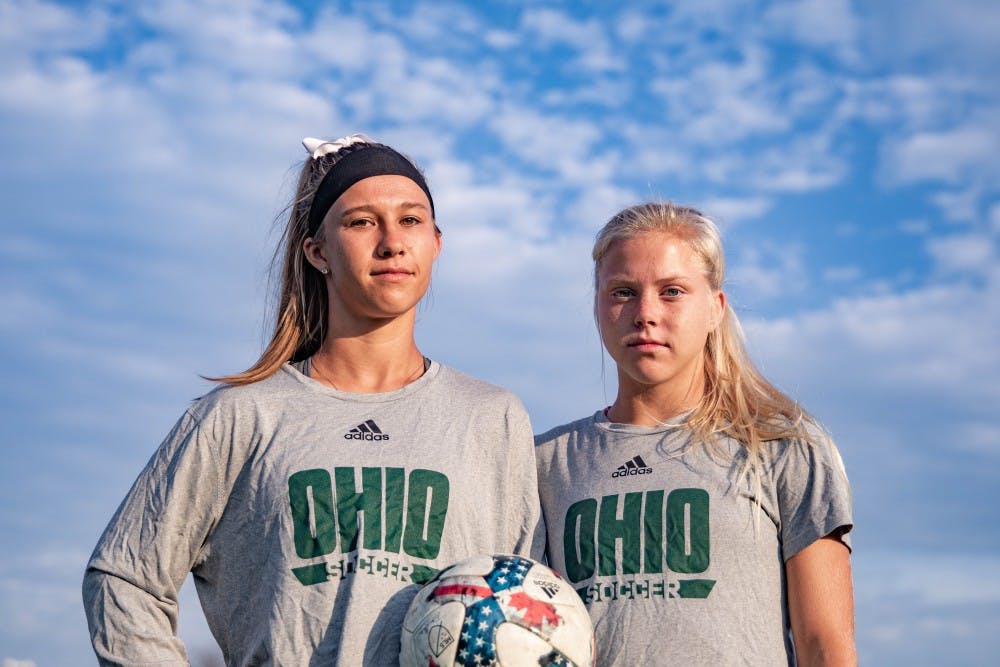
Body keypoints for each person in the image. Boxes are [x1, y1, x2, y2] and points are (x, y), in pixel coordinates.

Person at [83, 134, 544, 665]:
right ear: (317, 251)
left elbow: (524, 610)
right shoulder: (241, 415)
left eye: (411, 220)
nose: (392, 241)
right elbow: (124, 578)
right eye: (362, 222)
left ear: (436, 243)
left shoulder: (491, 417)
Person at [535, 202, 855, 666]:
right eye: (623, 292)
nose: (645, 313)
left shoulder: (782, 447)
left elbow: (824, 646)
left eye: (672, 292)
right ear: (598, 307)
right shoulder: (546, 462)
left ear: (714, 309)